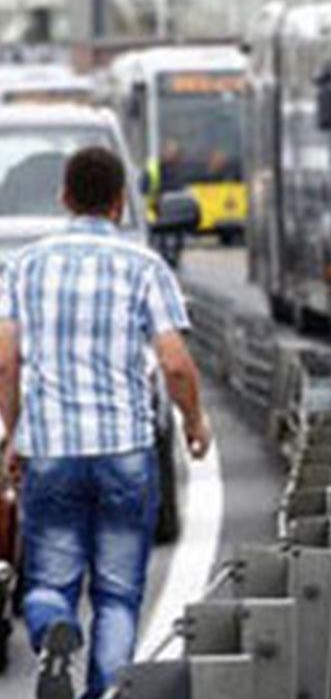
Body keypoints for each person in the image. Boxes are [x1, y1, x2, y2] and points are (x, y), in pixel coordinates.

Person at [0, 146, 211, 699]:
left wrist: (14, 433)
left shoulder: (24, 267)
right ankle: (106, 692)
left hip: (52, 449)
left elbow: (5, 359)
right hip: (124, 449)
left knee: (47, 581)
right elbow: (174, 363)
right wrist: (194, 423)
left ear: (64, 198)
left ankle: (51, 636)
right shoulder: (145, 267)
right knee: (118, 595)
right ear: (120, 203)